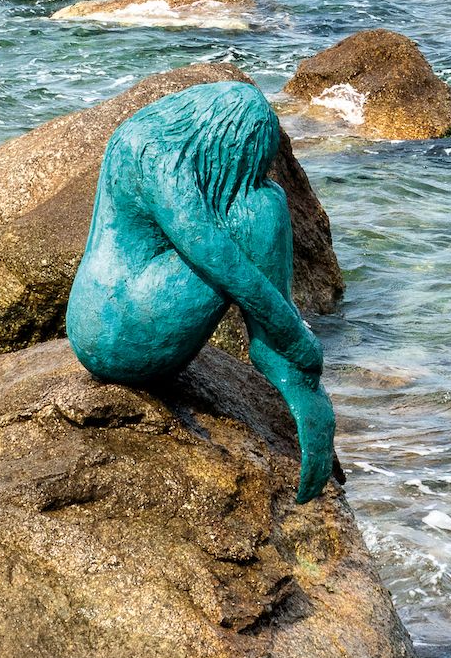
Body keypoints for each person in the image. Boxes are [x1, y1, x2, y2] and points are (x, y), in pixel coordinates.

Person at [66, 80, 337, 503]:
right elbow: (211, 252)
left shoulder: (148, 133)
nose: (244, 174)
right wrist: (298, 339)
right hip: (121, 329)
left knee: (260, 201)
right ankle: (279, 354)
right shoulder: (153, 157)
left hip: (97, 314)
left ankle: (279, 347)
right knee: (260, 207)